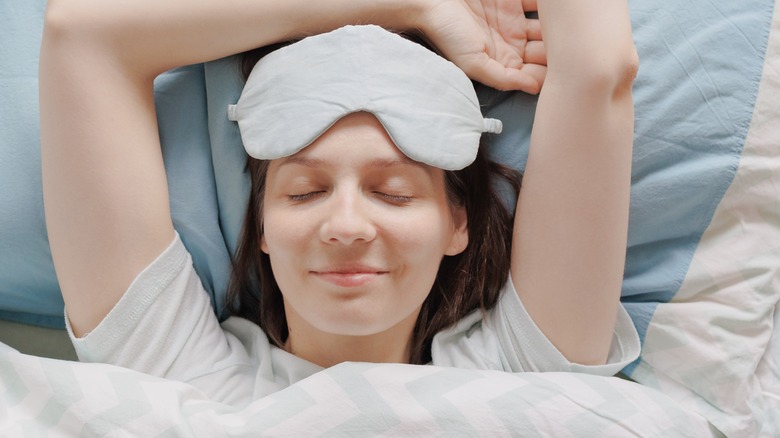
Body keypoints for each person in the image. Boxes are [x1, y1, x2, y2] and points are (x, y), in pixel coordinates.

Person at [40, 0, 640, 406]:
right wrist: (410, 6)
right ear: (265, 226)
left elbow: (599, 67)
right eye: (305, 191)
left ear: (457, 222)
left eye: (393, 193)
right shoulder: (185, 382)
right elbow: (82, 34)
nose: (347, 225)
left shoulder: (518, 380)